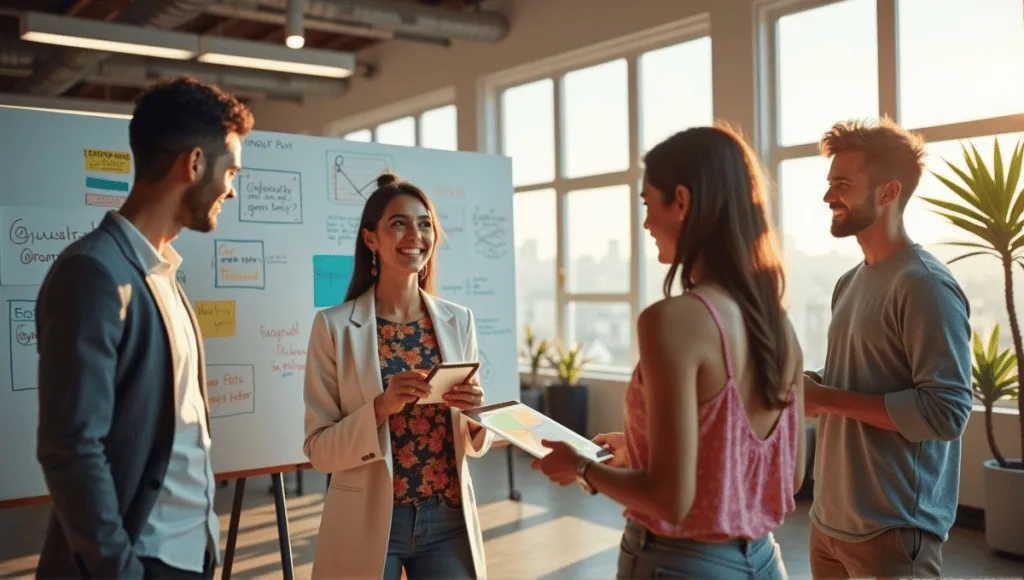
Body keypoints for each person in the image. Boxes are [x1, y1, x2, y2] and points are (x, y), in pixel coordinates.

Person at [533, 126, 806, 579]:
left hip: (682, 565)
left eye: (646, 203)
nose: (644, 223)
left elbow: (668, 499)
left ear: (681, 201)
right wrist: (640, 451)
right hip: (764, 560)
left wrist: (580, 467)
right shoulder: (779, 325)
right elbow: (788, 478)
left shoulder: (672, 321)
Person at [34, 76, 253, 579]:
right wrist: (120, 570)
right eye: (230, 171)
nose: (231, 189)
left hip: (186, 555)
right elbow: (71, 447)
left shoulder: (164, 274)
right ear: (194, 163)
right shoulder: (93, 273)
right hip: (140, 562)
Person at [803, 118, 973, 579]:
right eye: (829, 183)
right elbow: (859, 380)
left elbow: (947, 412)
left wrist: (822, 398)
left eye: (842, 183)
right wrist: (809, 387)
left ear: (888, 191)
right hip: (828, 524)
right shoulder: (848, 282)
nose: (827, 196)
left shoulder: (926, 286)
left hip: (893, 533)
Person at [302, 173, 493, 580]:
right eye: (399, 223)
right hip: (369, 517)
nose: (416, 234)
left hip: (447, 518)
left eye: (425, 223)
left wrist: (476, 416)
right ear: (371, 239)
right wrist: (381, 407)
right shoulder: (334, 327)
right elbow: (319, 450)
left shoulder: (458, 321)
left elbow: (471, 436)